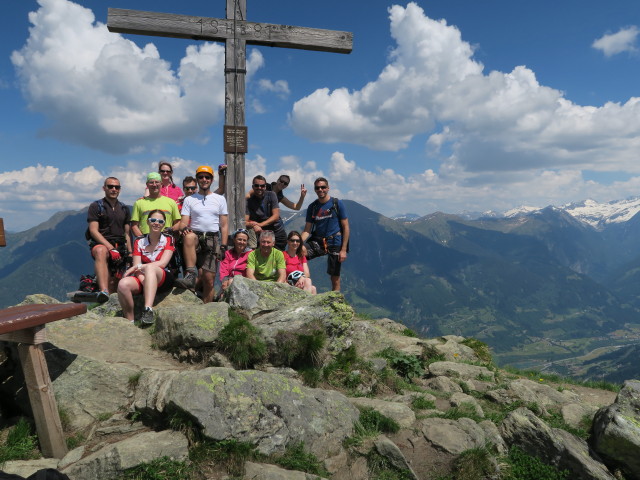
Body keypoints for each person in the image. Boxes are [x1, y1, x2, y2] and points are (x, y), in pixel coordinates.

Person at [174, 165, 229, 303]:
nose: (204, 179)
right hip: (195, 236)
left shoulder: (219, 199)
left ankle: (207, 310)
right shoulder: (190, 199)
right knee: (189, 236)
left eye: (207, 177)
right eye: (201, 177)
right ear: (197, 179)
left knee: (209, 280)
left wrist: (223, 245)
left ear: (211, 179)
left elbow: (224, 224)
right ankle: (191, 273)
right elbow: (184, 221)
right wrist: (183, 228)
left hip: (212, 238)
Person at [117, 210, 176, 324]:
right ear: (148, 222)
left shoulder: (169, 239)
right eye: (153, 220)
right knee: (123, 284)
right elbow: (137, 268)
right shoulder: (139, 241)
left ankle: (148, 309)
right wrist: (145, 282)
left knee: (149, 268)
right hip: (144, 278)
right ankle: (130, 321)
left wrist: (137, 267)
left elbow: (163, 263)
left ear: (164, 224)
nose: (156, 223)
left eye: (160, 221)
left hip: (164, 277)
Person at [87, 177, 132, 301]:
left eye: (116, 187)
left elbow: (127, 233)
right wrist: (110, 248)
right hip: (102, 244)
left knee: (114, 284)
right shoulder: (96, 206)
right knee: (101, 251)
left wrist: (130, 253)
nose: (113, 189)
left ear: (120, 189)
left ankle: (109, 298)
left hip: (120, 247)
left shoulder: (124, 208)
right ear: (104, 188)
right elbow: (93, 231)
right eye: (110, 186)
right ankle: (103, 291)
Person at [301, 177, 350, 292]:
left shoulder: (337, 203)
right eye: (317, 188)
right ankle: (304, 286)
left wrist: (343, 250)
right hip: (318, 241)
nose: (320, 190)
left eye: (323, 187)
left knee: (335, 277)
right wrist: (298, 244)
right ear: (315, 190)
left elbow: (346, 227)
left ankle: (336, 303)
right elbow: (307, 230)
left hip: (335, 241)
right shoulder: (312, 207)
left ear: (328, 188)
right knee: (299, 254)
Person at [245, 175, 287, 250]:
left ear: (265, 186)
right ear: (253, 186)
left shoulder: (271, 195)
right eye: (256, 185)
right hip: (262, 235)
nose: (259, 188)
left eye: (262, 186)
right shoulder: (249, 201)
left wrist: (260, 224)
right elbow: (245, 221)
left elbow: (276, 216)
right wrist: (253, 225)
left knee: (278, 259)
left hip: (277, 234)